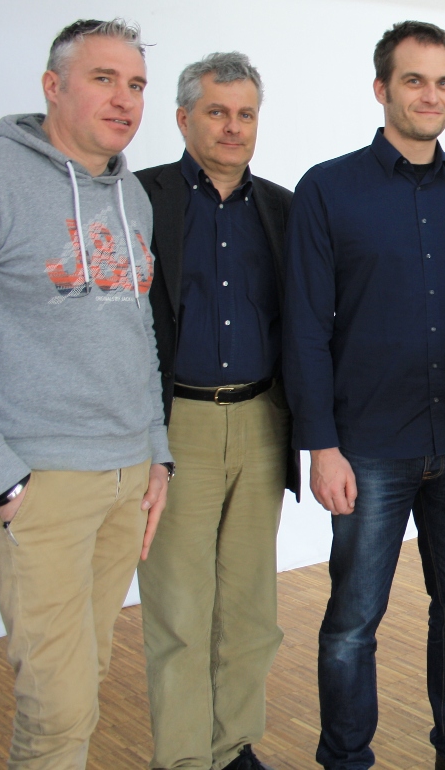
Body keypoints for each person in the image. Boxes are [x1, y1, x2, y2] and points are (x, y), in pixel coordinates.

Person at [0, 19, 173, 768]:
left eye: (136, 84)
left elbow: (138, 332)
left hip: (126, 483)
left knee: (85, 677)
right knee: (58, 707)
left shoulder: (132, 196)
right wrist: (2, 478)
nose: (124, 100)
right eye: (103, 79)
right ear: (53, 86)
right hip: (40, 484)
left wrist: (155, 452)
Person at [284, 20, 445, 770]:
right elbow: (304, 327)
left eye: (444, 81)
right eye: (414, 80)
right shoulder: (327, 189)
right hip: (367, 447)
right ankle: (345, 759)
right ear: (381, 88)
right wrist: (321, 446)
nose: (431, 95)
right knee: (354, 620)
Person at [136, 52, 297, 770]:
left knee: (250, 608)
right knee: (180, 609)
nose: (233, 127)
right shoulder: (141, 199)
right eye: (217, 112)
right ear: (183, 118)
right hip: (180, 425)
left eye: (245, 114)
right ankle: (182, 760)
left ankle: (231, 748)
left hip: (262, 420)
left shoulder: (281, 208)